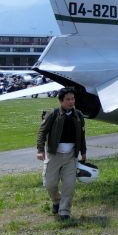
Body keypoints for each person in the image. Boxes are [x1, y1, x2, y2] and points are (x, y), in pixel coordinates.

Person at [36, 87, 87, 220]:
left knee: (69, 185)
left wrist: (83, 152)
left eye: (73, 99)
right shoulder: (52, 114)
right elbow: (42, 132)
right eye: (68, 99)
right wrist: (40, 150)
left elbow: (82, 134)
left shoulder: (78, 115)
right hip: (54, 155)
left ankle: (64, 211)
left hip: (71, 156)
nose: (71, 102)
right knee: (50, 184)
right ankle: (56, 201)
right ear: (61, 101)